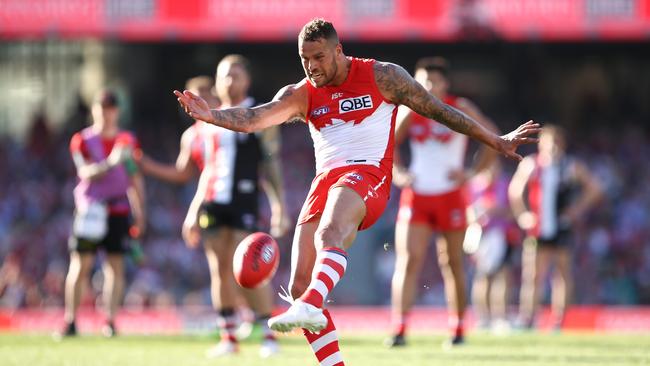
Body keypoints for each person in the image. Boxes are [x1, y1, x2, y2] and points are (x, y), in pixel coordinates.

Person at [175, 18, 539, 366]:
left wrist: (495, 139)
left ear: (338, 50)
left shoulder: (383, 76)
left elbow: (438, 110)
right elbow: (256, 117)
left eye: (318, 57)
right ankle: (321, 329)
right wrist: (212, 116)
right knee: (299, 284)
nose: (311, 67)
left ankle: (314, 303)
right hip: (326, 181)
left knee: (329, 233)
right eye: (304, 60)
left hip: (368, 174)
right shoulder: (302, 94)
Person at [171, 56, 290, 358]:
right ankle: (228, 337)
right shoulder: (208, 119)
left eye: (235, 75)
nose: (229, 81)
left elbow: (270, 163)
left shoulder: (258, 114)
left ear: (246, 80)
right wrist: (193, 211)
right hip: (213, 201)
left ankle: (268, 335)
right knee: (219, 270)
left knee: (248, 266)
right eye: (224, 75)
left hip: (244, 199)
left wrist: (279, 205)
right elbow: (207, 170)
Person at [58, 89, 146, 338]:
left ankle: (110, 320)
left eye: (110, 109)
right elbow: (84, 172)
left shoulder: (128, 140)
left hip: (118, 209)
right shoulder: (82, 140)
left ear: (117, 111)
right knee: (81, 264)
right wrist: (111, 161)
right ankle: (71, 320)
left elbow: (135, 177)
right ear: (94, 111)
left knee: (115, 266)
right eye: (102, 109)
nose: (106, 114)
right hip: (91, 208)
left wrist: (140, 211)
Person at [508, 124, 602, 330]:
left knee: (562, 273)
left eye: (557, 143)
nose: (553, 148)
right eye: (550, 143)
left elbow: (595, 189)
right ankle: (528, 318)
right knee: (533, 274)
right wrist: (523, 215)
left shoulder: (570, 166)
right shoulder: (532, 165)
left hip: (561, 227)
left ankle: (559, 320)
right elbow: (515, 191)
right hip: (538, 227)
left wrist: (576, 210)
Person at [467, 159, 520, 334]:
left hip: (503, 236)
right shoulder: (474, 185)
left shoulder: (506, 184)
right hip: (481, 237)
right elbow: (467, 211)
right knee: (482, 278)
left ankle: (501, 317)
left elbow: (514, 210)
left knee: (503, 277)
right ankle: (483, 318)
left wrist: (497, 211)